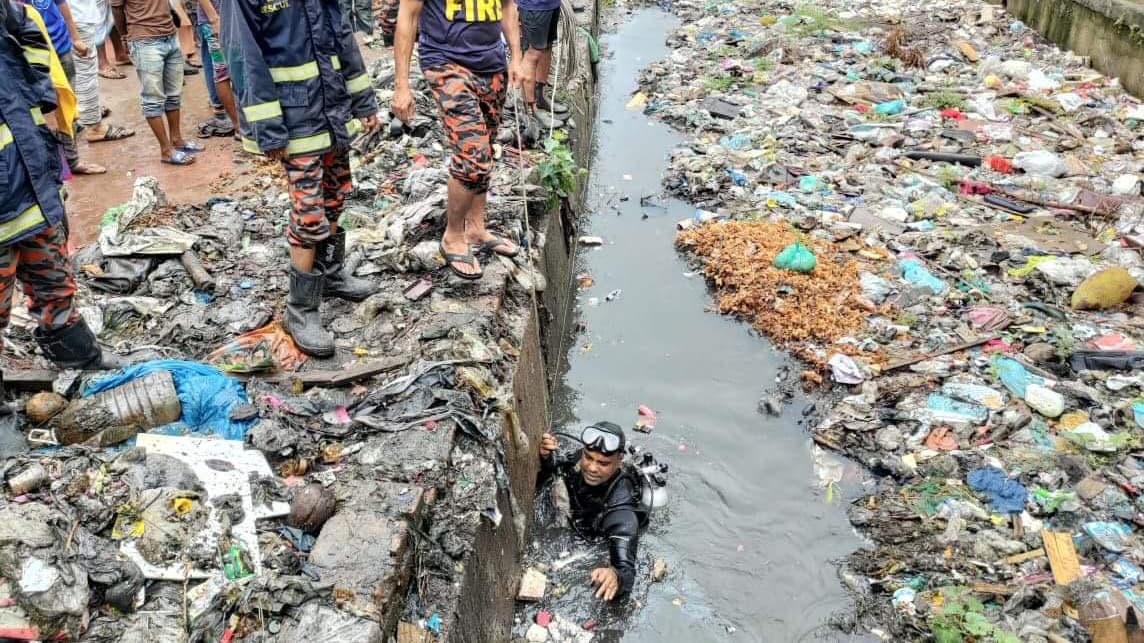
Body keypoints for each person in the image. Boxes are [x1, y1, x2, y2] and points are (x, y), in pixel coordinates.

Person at [225, 0, 381, 357]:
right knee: (309, 213)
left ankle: (329, 274)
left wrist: (363, 100)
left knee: (337, 193)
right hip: (293, 119)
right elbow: (243, 57)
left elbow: (342, 36)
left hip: (331, 110)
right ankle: (301, 310)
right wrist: (267, 128)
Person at [1, 0, 121, 370]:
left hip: (31, 179)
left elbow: (31, 33)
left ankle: (78, 356)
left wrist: (39, 92)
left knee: (53, 278)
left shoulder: (10, 12)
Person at [393, 0, 527, 280]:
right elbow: (408, 16)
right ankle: (453, 235)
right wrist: (401, 86)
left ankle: (476, 228)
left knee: (486, 147)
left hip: (492, 64)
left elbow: (507, 7)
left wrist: (515, 57)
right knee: (473, 157)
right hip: (446, 63)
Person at [538, 422, 643, 602]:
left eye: (603, 463)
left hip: (599, 532)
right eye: (589, 457)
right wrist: (547, 457)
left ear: (619, 461)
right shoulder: (578, 460)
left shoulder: (621, 509)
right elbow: (558, 467)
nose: (592, 468)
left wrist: (616, 576)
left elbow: (627, 570)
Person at [111, 0, 202, 165]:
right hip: (144, 40)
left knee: (173, 94)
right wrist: (125, 37)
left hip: (169, 36)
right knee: (153, 98)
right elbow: (116, 10)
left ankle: (177, 140)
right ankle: (166, 150)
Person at [24, 0, 109, 174]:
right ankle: (55, 166)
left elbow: (61, 4)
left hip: (61, 47)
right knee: (43, 113)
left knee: (67, 107)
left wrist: (75, 38)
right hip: (34, 55)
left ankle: (72, 161)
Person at [66, 0, 135, 142]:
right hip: (77, 17)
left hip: (72, 17)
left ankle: (81, 113)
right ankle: (94, 127)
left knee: (73, 71)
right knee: (85, 72)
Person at [191, 0, 236, 138]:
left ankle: (223, 112)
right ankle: (236, 123)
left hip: (222, 16)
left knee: (215, 64)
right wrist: (214, 18)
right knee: (222, 70)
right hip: (216, 18)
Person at [516, 0, 566, 126]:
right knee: (533, 52)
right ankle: (531, 109)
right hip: (534, 6)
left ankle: (540, 97)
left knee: (546, 47)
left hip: (551, 4)